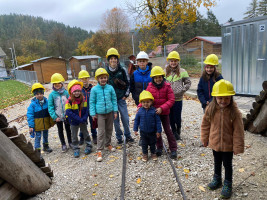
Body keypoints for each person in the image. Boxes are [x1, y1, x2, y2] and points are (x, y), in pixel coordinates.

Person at [201, 79, 244, 199]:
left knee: (227, 164)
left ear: (231, 97)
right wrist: (205, 138)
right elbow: (205, 124)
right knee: (216, 161)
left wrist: (237, 146)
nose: (223, 101)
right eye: (220, 98)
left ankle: (228, 183)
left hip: (228, 145)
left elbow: (239, 131)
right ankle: (217, 178)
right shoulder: (211, 108)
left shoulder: (234, 112)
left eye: (226, 98)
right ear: (215, 97)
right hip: (214, 143)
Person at [145, 66, 177, 159]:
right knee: (157, 131)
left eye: (159, 77)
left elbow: (171, 99)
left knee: (168, 130)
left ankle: (173, 148)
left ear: (162, 77)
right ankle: (159, 147)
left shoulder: (167, 86)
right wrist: (140, 107)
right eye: (156, 77)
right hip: (154, 114)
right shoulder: (150, 87)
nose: (158, 79)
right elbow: (145, 98)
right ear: (153, 78)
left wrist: (162, 108)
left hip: (164, 113)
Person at [105, 47, 134, 144]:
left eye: (115, 58)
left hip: (121, 99)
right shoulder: (105, 72)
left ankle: (128, 134)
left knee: (125, 118)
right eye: (111, 59)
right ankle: (119, 137)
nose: (113, 60)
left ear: (117, 59)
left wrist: (126, 95)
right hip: (111, 101)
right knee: (115, 119)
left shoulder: (123, 69)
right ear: (108, 60)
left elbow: (128, 82)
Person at [90, 68, 118, 162]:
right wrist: (93, 113)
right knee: (101, 131)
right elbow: (92, 102)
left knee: (109, 129)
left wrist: (115, 111)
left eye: (105, 77)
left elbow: (114, 100)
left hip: (109, 112)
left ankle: (108, 144)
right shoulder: (94, 89)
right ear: (97, 79)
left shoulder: (110, 88)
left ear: (107, 78)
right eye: (101, 78)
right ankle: (99, 150)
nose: (103, 79)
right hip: (100, 114)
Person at [165, 51, 191, 140]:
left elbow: (188, 83)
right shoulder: (165, 72)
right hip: (168, 99)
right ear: (169, 61)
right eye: (171, 61)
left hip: (178, 99)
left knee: (177, 116)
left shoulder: (183, 71)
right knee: (170, 116)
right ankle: (174, 132)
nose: (173, 63)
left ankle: (178, 128)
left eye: (175, 61)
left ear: (178, 61)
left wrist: (182, 90)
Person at [65, 80, 92, 158]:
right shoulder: (69, 101)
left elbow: (86, 109)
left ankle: (89, 145)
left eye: (78, 91)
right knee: (74, 135)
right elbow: (69, 112)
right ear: (71, 92)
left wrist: (84, 118)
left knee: (85, 133)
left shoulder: (83, 99)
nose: (77, 93)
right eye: (75, 91)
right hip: (74, 121)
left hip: (82, 120)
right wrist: (79, 119)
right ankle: (76, 148)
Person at [134, 91, 162, 162]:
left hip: (152, 131)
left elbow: (158, 122)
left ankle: (153, 153)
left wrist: (159, 131)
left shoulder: (154, 111)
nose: (145, 104)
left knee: (153, 143)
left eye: (147, 102)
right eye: (143, 102)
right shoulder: (140, 111)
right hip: (143, 131)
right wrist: (135, 129)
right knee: (144, 144)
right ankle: (145, 154)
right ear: (141, 103)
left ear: (151, 102)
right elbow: (136, 120)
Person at [48, 73, 72, 152]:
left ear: (62, 84)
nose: (57, 85)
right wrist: (54, 117)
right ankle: (63, 144)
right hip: (58, 117)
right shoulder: (52, 95)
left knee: (68, 129)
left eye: (58, 83)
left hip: (66, 115)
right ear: (53, 84)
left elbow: (70, 102)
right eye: (55, 84)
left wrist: (70, 113)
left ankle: (70, 142)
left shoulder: (66, 93)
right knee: (60, 130)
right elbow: (50, 107)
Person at [27, 83, 54, 153]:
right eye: (37, 94)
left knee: (45, 135)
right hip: (37, 125)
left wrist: (52, 121)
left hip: (45, 123)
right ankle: (37, 150)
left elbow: (50, 111)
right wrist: (31, 126)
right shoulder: (33, 105)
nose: (39, 95)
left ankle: (46, 146)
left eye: (40, 93)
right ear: (35, 95)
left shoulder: (47, 102)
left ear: (43, 93)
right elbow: (30, 115)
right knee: (38, 137)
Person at [78, 70, 97, 145]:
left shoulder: (92, 88)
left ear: (88, 79)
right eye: (82, 79)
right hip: (82, 110)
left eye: (86, 78)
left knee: (93, 123)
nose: (84, 80)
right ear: (80, 80)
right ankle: (82, 137)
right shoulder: (79, 89)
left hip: (91, 109)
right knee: (83, 124)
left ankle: (94, 136)